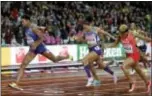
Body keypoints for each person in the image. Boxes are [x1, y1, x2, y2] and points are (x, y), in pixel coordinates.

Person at [9, 15, 70, 90]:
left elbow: (42, 38)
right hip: (32, 49)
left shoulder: (33, 28)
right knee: (23, 65)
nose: (22, 23)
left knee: (55, 59)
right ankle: (16, 83)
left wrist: (36, 44)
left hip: (40, 48)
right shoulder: (28, 28)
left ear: (28, 21)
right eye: (22, 21)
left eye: (23, 21)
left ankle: (66, 57)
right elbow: (39, 31)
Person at [74, 15, 117, 87]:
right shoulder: (84, 31)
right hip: (91, 50)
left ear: (87, 25)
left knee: (84, 60)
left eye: (84, 26)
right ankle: (112, 74)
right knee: (100, 65)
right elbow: (83, 41)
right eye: (83, 26)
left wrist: (113, 37)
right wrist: (78, 39)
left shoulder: (94, 29)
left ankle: (90, 78)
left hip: (96, 49)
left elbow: (105, 33)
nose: (83, 27)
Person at [107, 24, 151, 93]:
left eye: (122, 33)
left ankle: (132, 82)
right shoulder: (120, 36)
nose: (121, 34)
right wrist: (108, 46)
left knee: (124, 66)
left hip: (135, 54)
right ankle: (148, 82)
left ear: (126, 32)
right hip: (128, 55)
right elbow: (115, 44)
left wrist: (150, 40)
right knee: (138, 71)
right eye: (120, 32)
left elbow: (144, 38)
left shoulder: (132, 34)